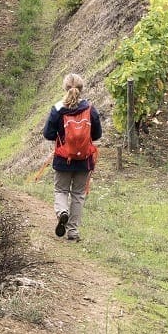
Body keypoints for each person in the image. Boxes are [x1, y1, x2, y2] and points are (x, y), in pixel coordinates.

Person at [43, 73, 102, 242]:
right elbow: (97, 135)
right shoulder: (90, 109)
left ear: (65, 88)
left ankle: (62, 212)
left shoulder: (58, 109)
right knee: (78, 194)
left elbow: (48, 134)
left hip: (63, 158)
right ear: (82, 89)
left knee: (61, 190)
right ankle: (73, 232)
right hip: (84, 160)